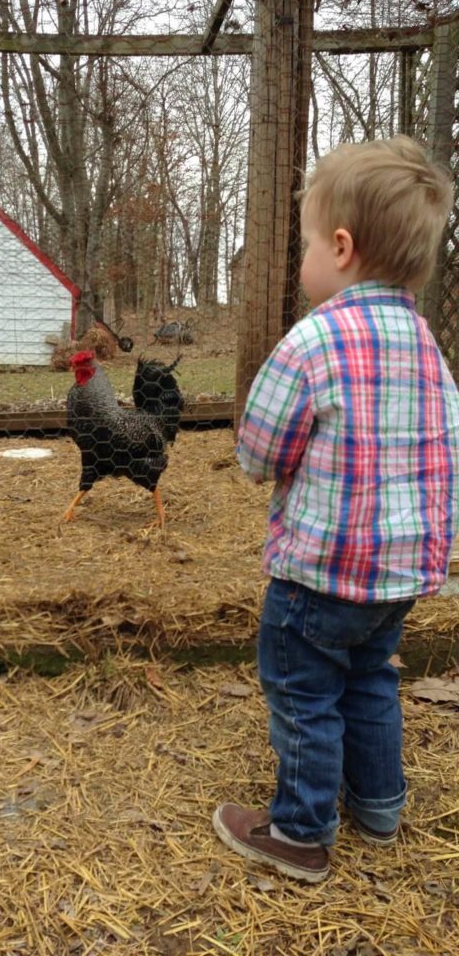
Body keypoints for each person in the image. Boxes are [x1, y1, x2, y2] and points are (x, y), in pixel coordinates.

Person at [213, 136, 459, 883]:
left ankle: (301, 830)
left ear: (342, 247)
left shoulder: (312, 342)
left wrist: (274, 461)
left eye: (310, 243)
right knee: (372, 677)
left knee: (303, 691)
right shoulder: (428, 347)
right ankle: (379, 805)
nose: (307, 258)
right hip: (401, 579)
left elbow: (258, 451)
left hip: (318, 577)